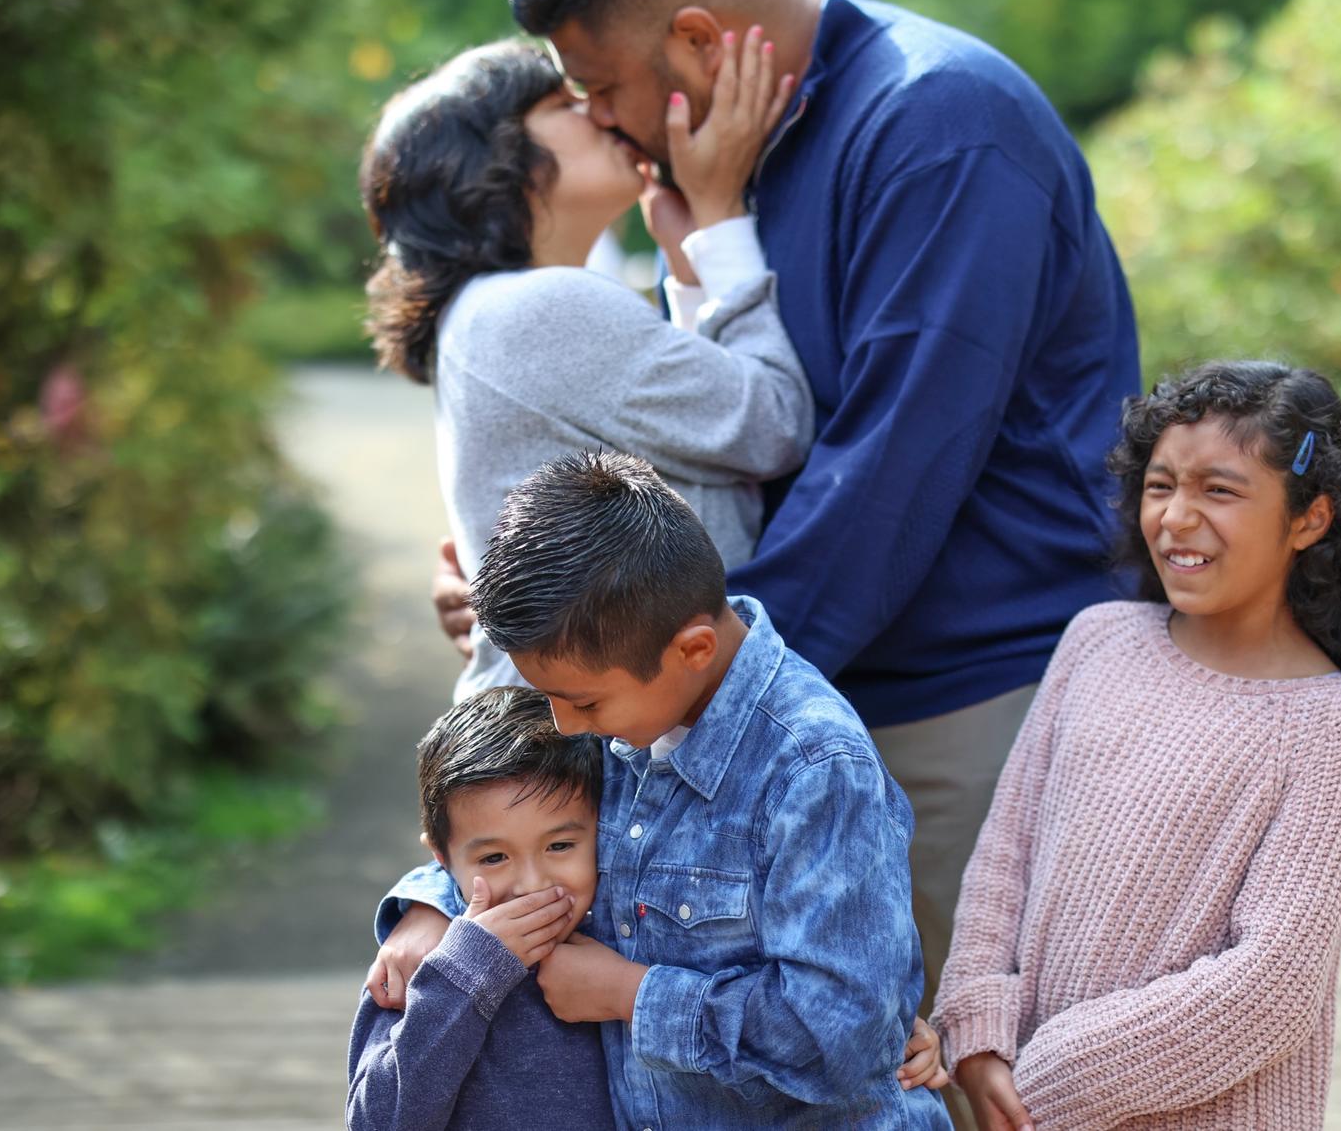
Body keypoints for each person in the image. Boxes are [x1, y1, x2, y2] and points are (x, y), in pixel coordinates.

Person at [424, 0, 1144, 1033]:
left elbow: (890, 472)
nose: (599, 121)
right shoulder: (723, 152)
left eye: (601, 88)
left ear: (699, 38)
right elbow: (704, 449)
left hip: (960, 699)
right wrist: (548, 595)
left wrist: (684, 667)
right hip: (801, 687)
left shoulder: (940, 127)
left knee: (950, 1066)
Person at [932, 361, 1341, 1131]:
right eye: (1160, 484)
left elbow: (1271, 984)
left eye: (1219, 489)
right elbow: (1005, 852)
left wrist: (1047, 1073)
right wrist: (978, 1030)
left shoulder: (1328, 722)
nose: (1177, 517)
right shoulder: (1097, 639)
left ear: (1310, 518)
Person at [385, 451, 952, 1128]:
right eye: (551, 698)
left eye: (584, 703)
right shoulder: (626, 703)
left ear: (693, 650)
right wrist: (427, 901)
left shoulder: (813, 767)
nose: (564, 725)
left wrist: (632, 994)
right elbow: (507, 826)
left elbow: (840, 1036)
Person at [363, 26, 812, 697]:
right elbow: (774, 423)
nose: (600, 112)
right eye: (565, 105)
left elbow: (694, 436)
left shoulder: (492, 314)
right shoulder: (539, 310)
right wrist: (719, 218)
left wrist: (688, 266)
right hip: (592, 759)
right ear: (496, 156)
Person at [346, 688, 608, 1129]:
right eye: (494, 858)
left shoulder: (628, 933)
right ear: (442, 859)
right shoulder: (424, 966)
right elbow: (378, 1122)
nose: (532, 884)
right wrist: (469, 971)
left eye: (560, 846)